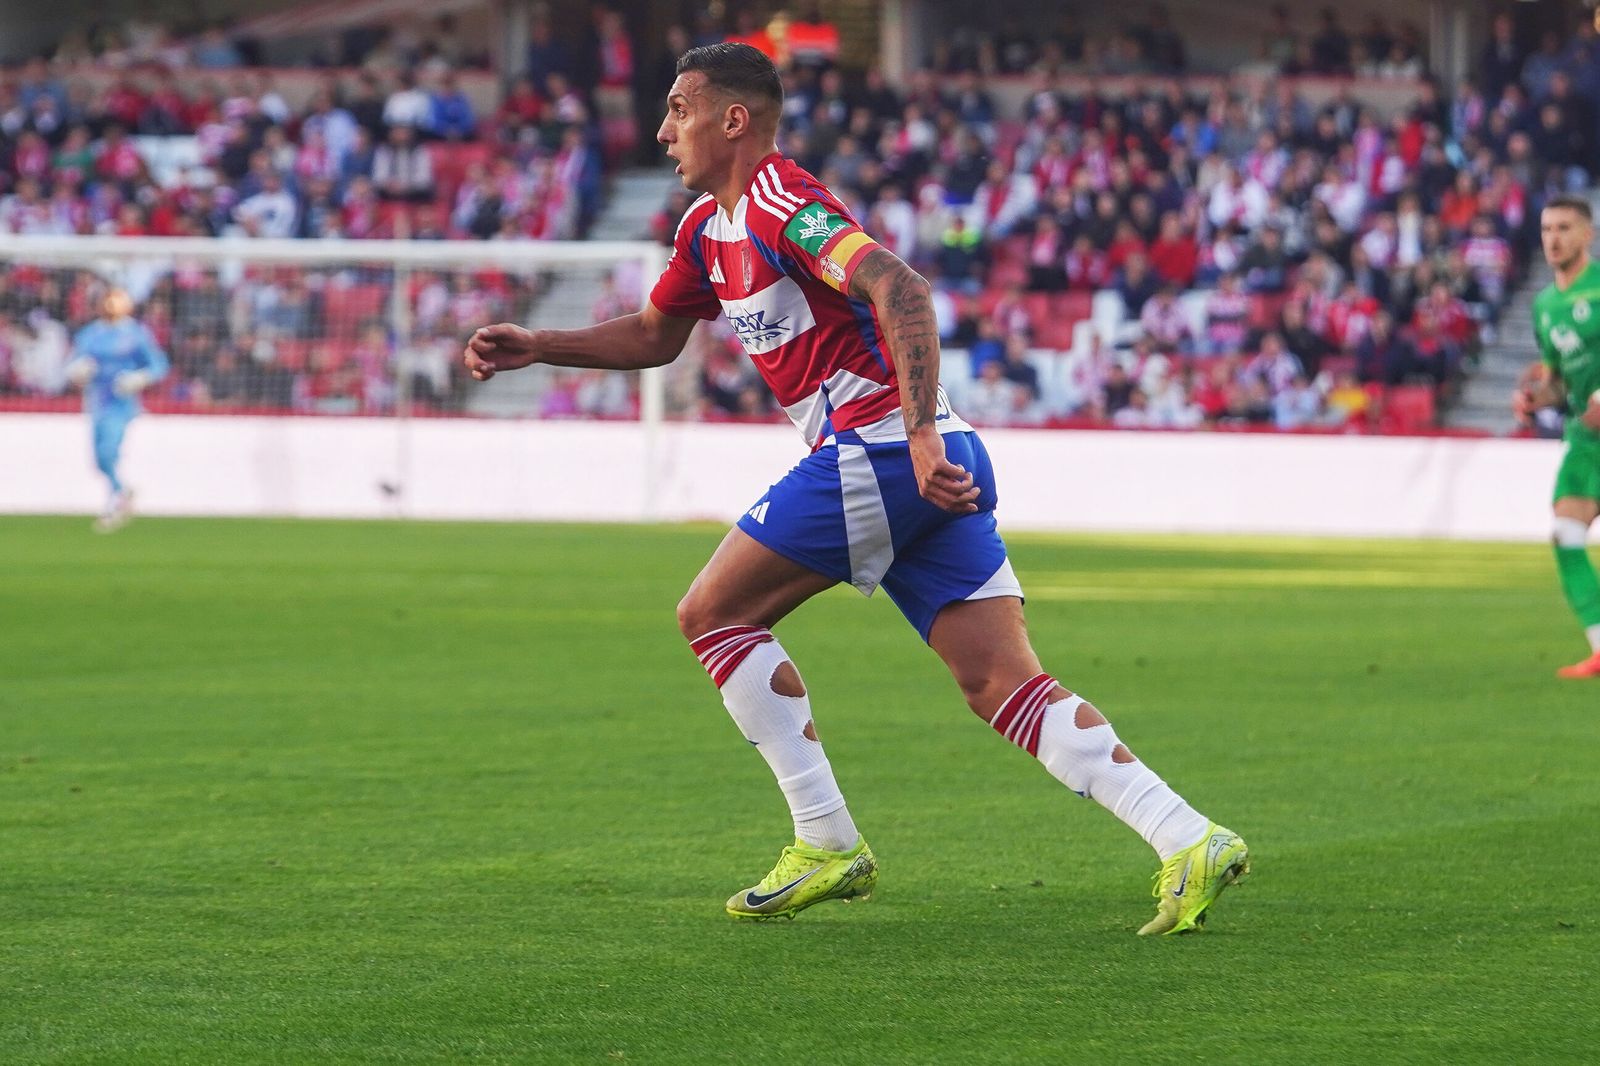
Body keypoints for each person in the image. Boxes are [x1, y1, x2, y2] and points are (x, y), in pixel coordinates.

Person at [461, 44, 1249, 932]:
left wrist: (912, 437)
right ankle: (1188, 837)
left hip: (882, 451)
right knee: (998, 680)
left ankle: (827, 839)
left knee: (712, 614)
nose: (661, 130)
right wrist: (541, 344)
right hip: (924, 458)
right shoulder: (704, 232)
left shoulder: (777, 200)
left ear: (734, 120)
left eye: (679, 109)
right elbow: (654, 335)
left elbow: (898, 287)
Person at [1514, 194, 1600, 678]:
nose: (1554, 238)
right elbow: (1559, 380)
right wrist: (1535, 398)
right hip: (1587, 441)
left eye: (1565, 228)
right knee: (1566, 534)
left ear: (1587, 235)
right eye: (1547, 229)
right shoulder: (1545, 305)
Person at [64, 287, 169, 532]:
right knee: (100, 459)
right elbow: (72, 364)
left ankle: (116, 501)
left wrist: (139, 378)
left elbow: (159, 365)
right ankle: (122, 490)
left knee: (108, 450)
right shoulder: (90, 334)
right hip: (96, 402)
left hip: (121, 403)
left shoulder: (136, 333)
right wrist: (78, 370)